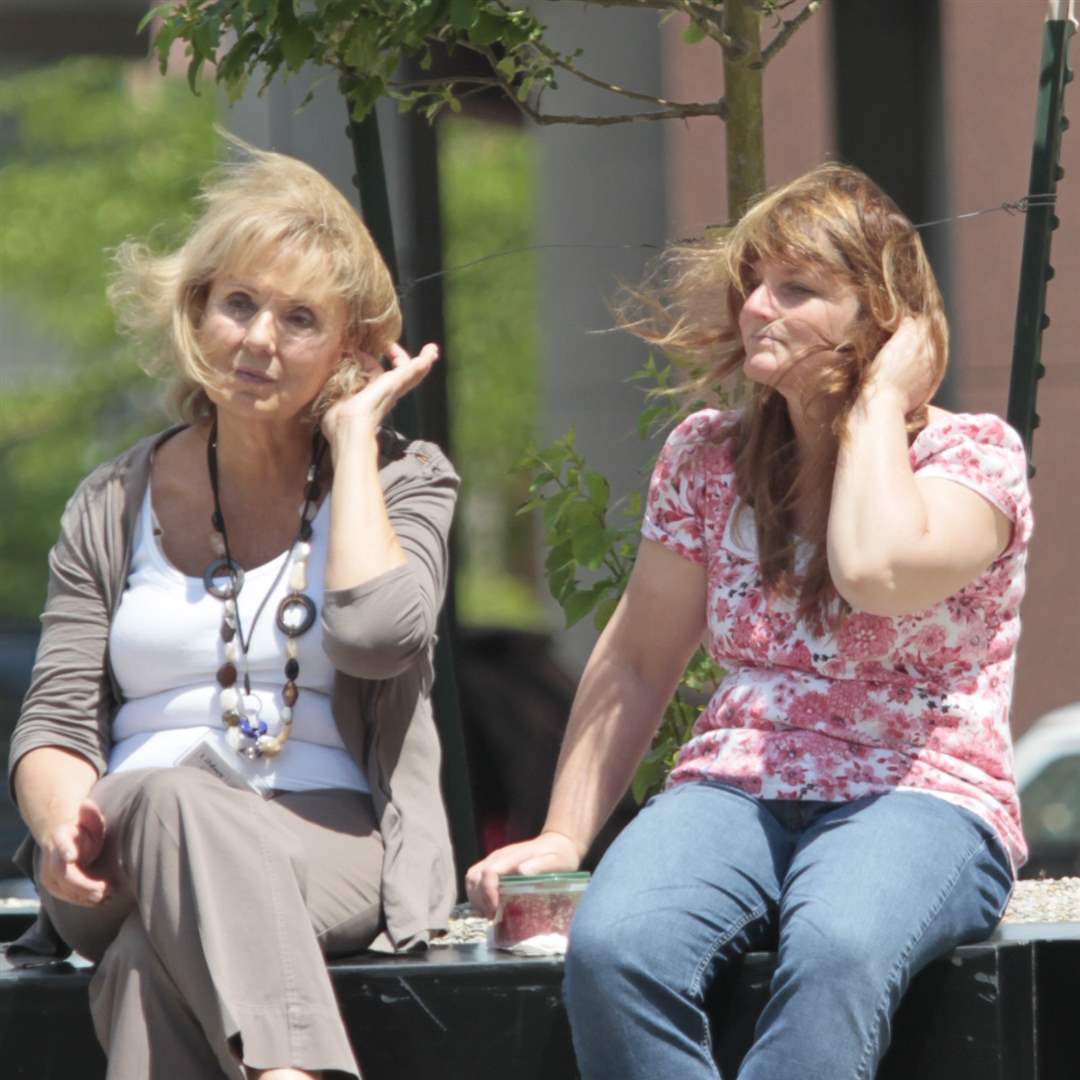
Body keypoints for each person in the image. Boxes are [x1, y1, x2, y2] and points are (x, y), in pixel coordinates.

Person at [466, 163, 1031, 1079]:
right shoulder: (706, 457)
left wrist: (877, 403)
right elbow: (638, 657)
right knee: (615, 947)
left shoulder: (972, 460)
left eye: (797, 288)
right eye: (753, 285)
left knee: (838, 948)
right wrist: (565, 834)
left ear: (883, 316)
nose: (759, 308)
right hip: (733, 786)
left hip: (921, 792)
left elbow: (876, 570)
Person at [6, 139, 458, 1080]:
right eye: (239, 303)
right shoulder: (111, 500)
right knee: (173, 798)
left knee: (145, 966)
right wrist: (58, 831)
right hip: (118, 845)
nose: (259, 340)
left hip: (324, 845)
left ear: (352, 346)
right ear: (198, 310)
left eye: (301, 319)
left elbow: (378, 636)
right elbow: (54, 721)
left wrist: (354, 439)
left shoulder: (403, 482)